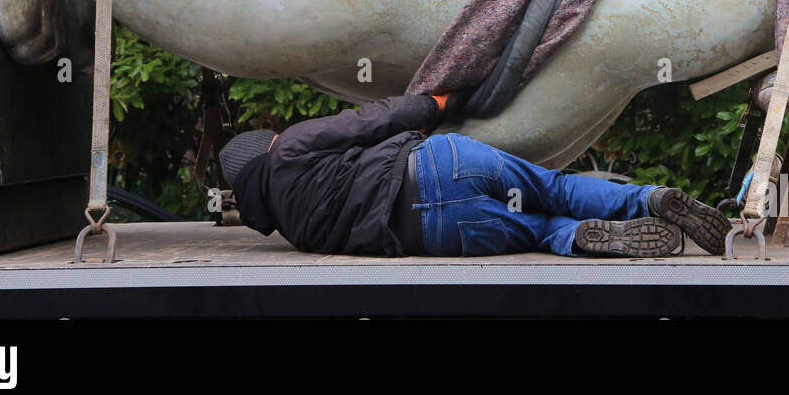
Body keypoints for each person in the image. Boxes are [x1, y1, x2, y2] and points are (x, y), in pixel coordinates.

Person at [220, 92, 731, 258]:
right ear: (265, 148)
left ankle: (580, 238)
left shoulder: (293, 232)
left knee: (537, 231)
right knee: (555, 188)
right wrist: (435, 102)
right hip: (442, 165)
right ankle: (651, 200)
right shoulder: (289, 148)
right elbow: (373, 119)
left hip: (433, 231)